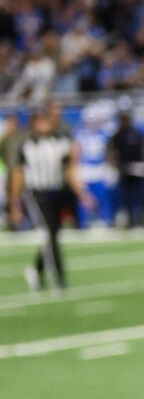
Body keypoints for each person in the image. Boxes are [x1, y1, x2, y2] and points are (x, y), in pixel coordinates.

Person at [8, 104, 96, 291]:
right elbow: (18, 174)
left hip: (57, 191)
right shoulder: (27, 144)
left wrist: (82, 194)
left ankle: (36, 269)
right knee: (49, 233)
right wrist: (15, 203)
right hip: (36, 192)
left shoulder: (63, 141)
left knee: (53, 234)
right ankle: (59, 278)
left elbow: (70, 171)